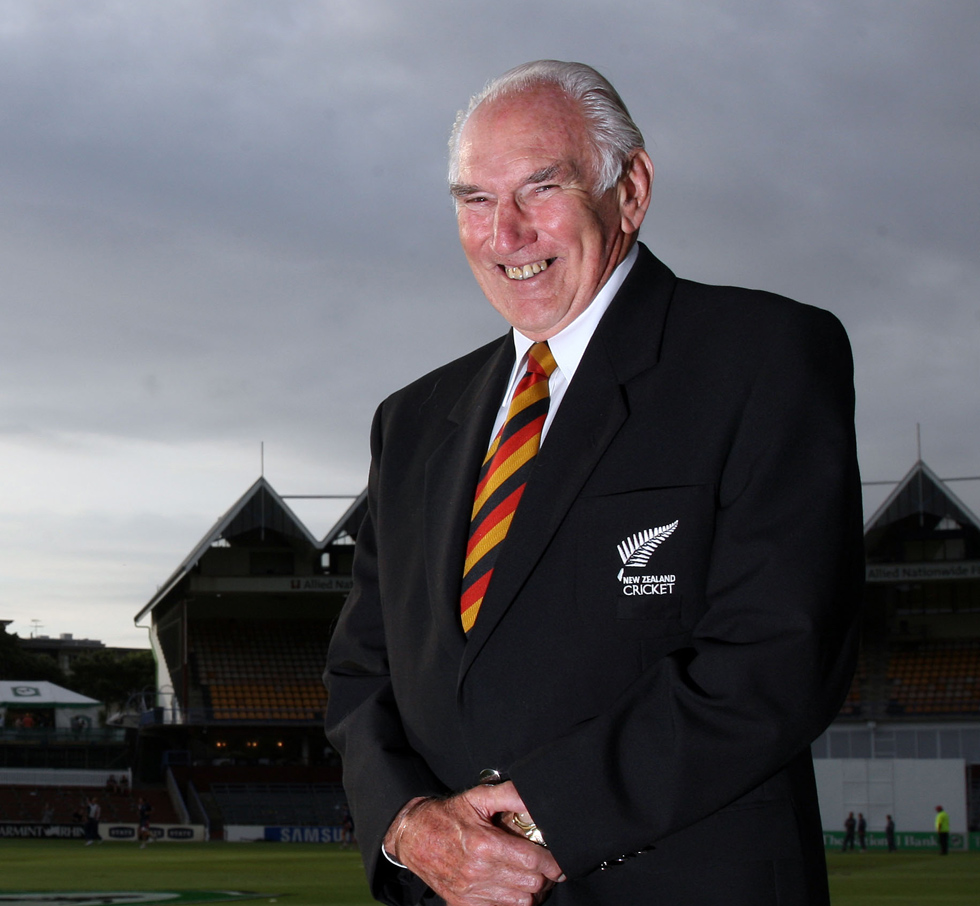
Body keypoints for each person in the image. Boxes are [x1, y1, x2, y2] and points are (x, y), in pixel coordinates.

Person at [324, 59, 860, 906]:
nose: (506, 234)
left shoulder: (762, 357)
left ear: (631, 189)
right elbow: (362, 675)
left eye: (541, 188)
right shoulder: (413, 421)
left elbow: (780, 655)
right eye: (475, 200)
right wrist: (409, 824)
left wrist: (530, 826)